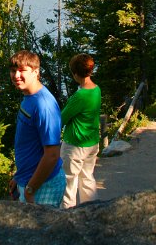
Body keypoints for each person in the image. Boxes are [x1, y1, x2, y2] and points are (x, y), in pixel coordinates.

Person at [8, 50, 65, 206]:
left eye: (22, 71)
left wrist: (30, 189)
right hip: (28, 180)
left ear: (35, 72)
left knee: (40, 229)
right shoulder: (29, 97)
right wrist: (18, 177)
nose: (16, 75)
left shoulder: (44, 105)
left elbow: (52, 155)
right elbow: (30, 144)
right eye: (13, 71)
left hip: (43, 185)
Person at [60, 53, 101, 208]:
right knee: (87, 178)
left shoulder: (80, 96)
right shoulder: (96, 89)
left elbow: (62, 119)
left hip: (75, 145)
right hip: (92, 143)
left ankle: (67, 216)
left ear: (76, 74)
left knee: (68, 183)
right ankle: (92, 211)